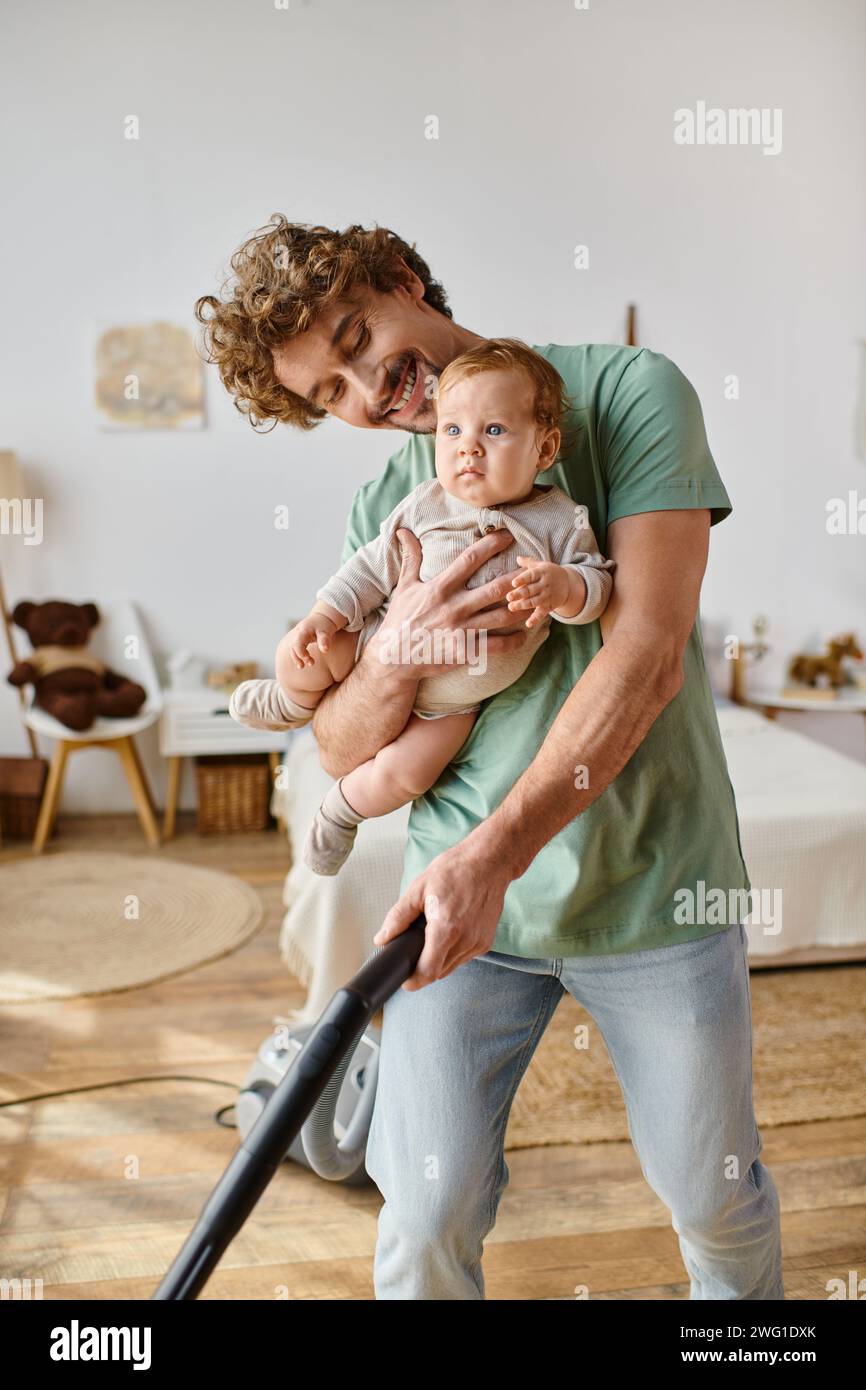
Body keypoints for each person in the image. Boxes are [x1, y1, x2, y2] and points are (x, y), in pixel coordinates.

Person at [194, 215, 784, 1300]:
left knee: (711, 1192)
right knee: (421, 1217)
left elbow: (646, 652)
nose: (367, 390)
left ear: (403, 278)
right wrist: (393, 657)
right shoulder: (391, 506)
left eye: (355, 336)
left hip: (655, 891)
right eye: (329, 392)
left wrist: (495, 855)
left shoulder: (629, 393)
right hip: (461, 920)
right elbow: (337, 738)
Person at [230, 339, 614, 875]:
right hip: (375, 641)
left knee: (409, 775)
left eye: (495, 431)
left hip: (454, 704)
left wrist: (564, 589)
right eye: (452, 430)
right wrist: (324, 616)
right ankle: (292, 701)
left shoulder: (560, 520)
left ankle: (340, 813)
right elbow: (370, 568)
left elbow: (598, 588)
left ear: (545, 450)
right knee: (302, 651)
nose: (469, 449)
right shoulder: (425, 502)